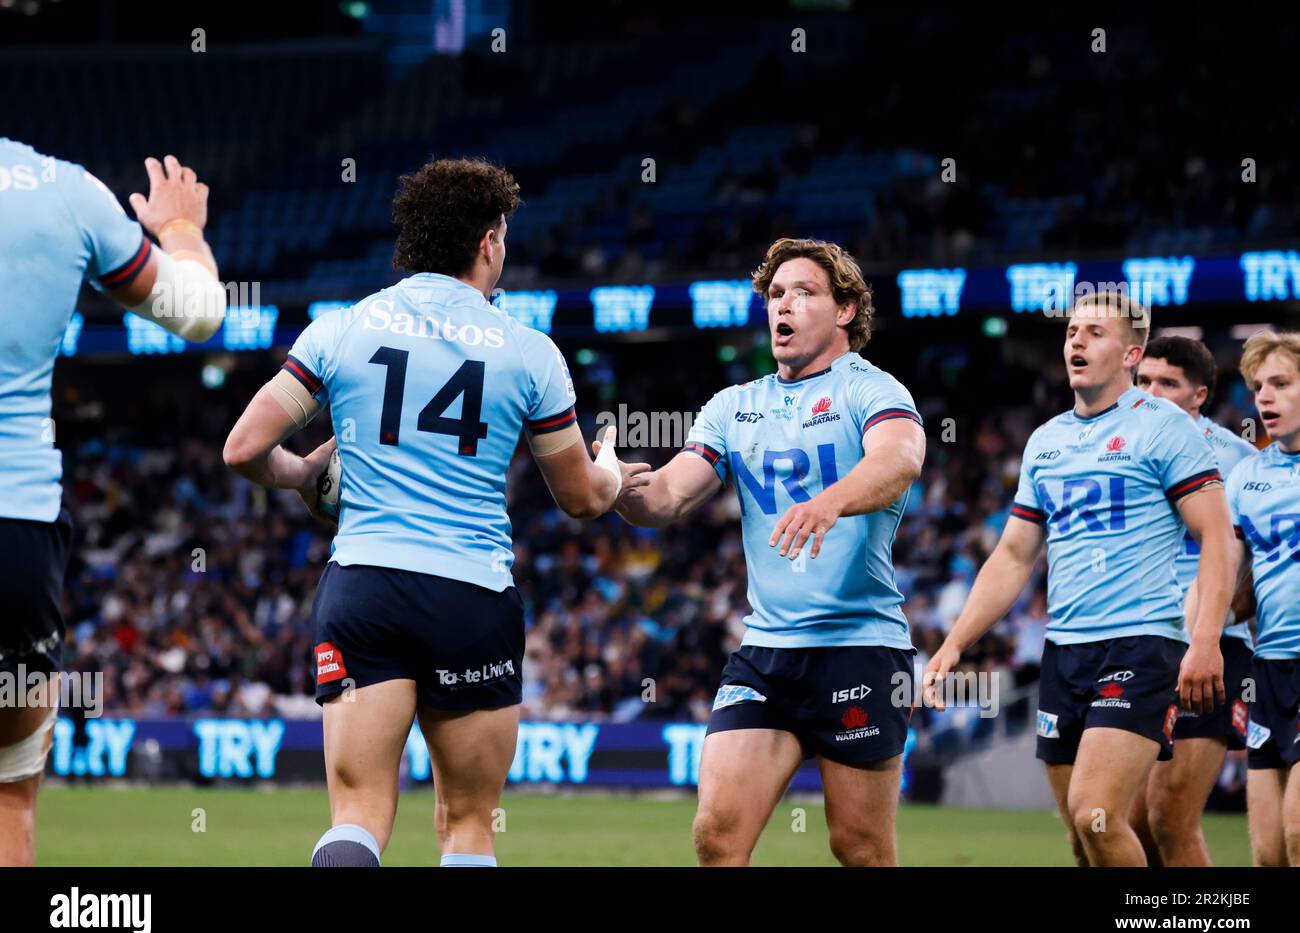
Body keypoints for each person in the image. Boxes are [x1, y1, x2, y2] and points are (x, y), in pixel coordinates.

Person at [223, 157, 646, 867]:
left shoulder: (342, 329)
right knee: (469, 825)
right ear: (487, 243)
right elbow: (580, 499)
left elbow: (242, 448)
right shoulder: (529, 353)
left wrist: (301, 475)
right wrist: (609, 469)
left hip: (363, 586)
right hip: (470, 593)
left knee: (356, 815)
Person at [613, 238, 926, 866]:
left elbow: (900, 459)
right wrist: (614, 487)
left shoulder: (871, 388)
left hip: (858, 649)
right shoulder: (734, 407)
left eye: (804, 292)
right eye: (775, 294)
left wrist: (830, 501)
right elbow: (669, 496)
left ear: (845, 311)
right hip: (766, 655)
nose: (783, 304)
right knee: (717, 835)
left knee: (859, 847)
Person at [925, 292, 1236, 867]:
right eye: (1072, 331)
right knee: (1078, 834)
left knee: (1098, 813)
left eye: (1095, 332)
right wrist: (955, 643)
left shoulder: (1165, 428)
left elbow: (1218, 538)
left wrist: (1207, 639)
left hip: (1141, 645)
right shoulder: (1046, 441)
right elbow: (1014, 556)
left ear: (1131, 354)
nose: (1076, 341)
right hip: (1064, 654)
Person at [0, 140, 225, 866]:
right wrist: (183, 229)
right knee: (8, 802)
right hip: (17, 532)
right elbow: (196, 313)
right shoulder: (66, 191)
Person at [1131, 335, 1257, 865]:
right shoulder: (1121, 446)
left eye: (1168, 384)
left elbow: (1251, 563)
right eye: (1144, 381)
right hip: (1139, 643)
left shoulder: (1237, 459)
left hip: (1210, 647)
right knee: (1129, 822)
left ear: (1200, 394)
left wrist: (1219, 618)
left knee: (1170, 816)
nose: (1153, 393)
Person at [1214, 331, 1300, 865]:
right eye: (1258, 386)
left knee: (1297, 836)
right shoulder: (1246, 476)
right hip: (1268, 671)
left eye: (1282, 384)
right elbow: (1234, 583)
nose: (1264, 397)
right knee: (1268, 854)